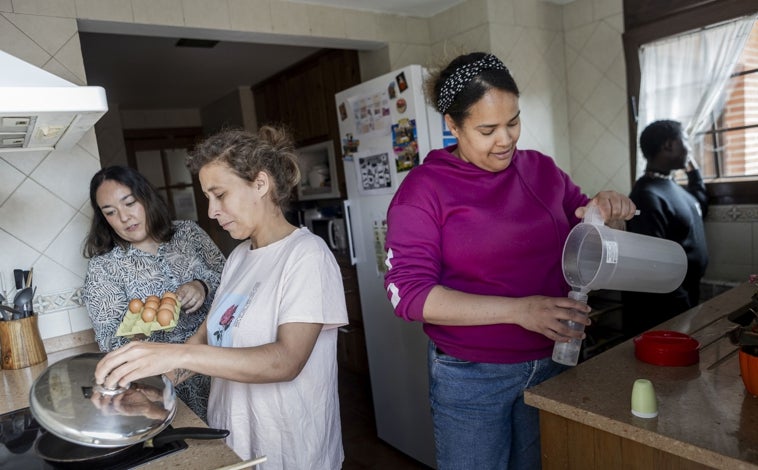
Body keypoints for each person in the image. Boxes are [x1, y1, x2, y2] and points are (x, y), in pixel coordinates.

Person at [382, 52, 637, 470]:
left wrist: (607, 213)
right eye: (487, 129)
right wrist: (520, 311)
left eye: (513, 122)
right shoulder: (423, 191)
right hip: (471, 376)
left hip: (555, 360)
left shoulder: (542, 171)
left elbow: (590, 242)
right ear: (452, 124)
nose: (506, 140)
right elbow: (409, 296)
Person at [94, 126, 348, 469]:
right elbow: (209, 336)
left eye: (220, 195)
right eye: (207, 197)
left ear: (260, 184)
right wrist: (159, 383)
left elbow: (287, 361)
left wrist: (172, 351)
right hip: (233, 439)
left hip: (287, 448)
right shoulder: (240, 257)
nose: (211, 211)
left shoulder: (307, 256)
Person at [82, 165, 225, 421]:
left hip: (226, 364)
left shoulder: (189, 234)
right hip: (167, 386)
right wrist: (143, 325)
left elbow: (233, 282)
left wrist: (202, 285)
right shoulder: (104, 267)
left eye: (129, 203)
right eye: (111, 212)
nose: (124, 217)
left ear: (146, 197)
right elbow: (110, 345)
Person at [622, 119, 709, 337]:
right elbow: (653, 265)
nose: (689, 148)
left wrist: (693, 169)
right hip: (665, 310)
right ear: (669, 145)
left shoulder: (670, 186)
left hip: (684, 297)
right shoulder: (646, 196)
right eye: (685, 140)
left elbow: (699, 204)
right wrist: (684, 307)